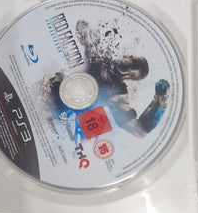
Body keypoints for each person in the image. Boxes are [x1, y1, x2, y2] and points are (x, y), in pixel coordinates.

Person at [41, 20, 169, 138]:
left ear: (130, 74)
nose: (126, 56)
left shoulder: (117, 92)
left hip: (52, 115)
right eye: (129, 55)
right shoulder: (103, 54)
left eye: (131, 60)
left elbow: (139, 131)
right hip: (44, 91)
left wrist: (159, 102)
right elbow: (81, 26)